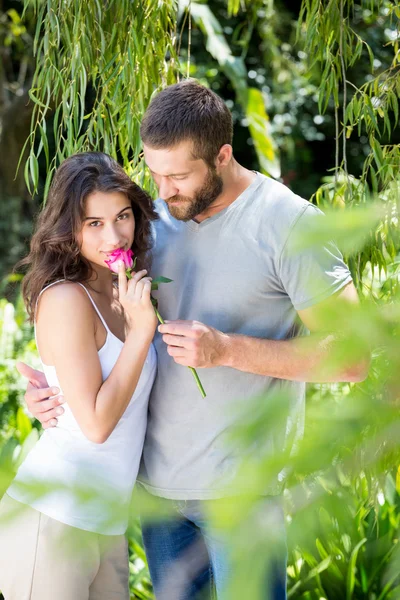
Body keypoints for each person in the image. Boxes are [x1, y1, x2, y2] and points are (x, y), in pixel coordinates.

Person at [20, 81, 369, 600]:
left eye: (178, 176)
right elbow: (86, 314)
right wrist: (53, 393)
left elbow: (354, 359)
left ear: (223, 155)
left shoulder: (290, 225)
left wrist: (226, 349)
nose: (161, 191)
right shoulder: (150, 223)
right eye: (154, 173)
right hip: (156, 492)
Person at [0, 152, 159, 600]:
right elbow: (95, 425)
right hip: (51, 520)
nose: (113, 236)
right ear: (69, 227)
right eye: (94, 223)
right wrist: (141, 334)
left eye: (122, 216)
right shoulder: (68, 298)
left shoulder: (123, 290)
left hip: (105, 524)